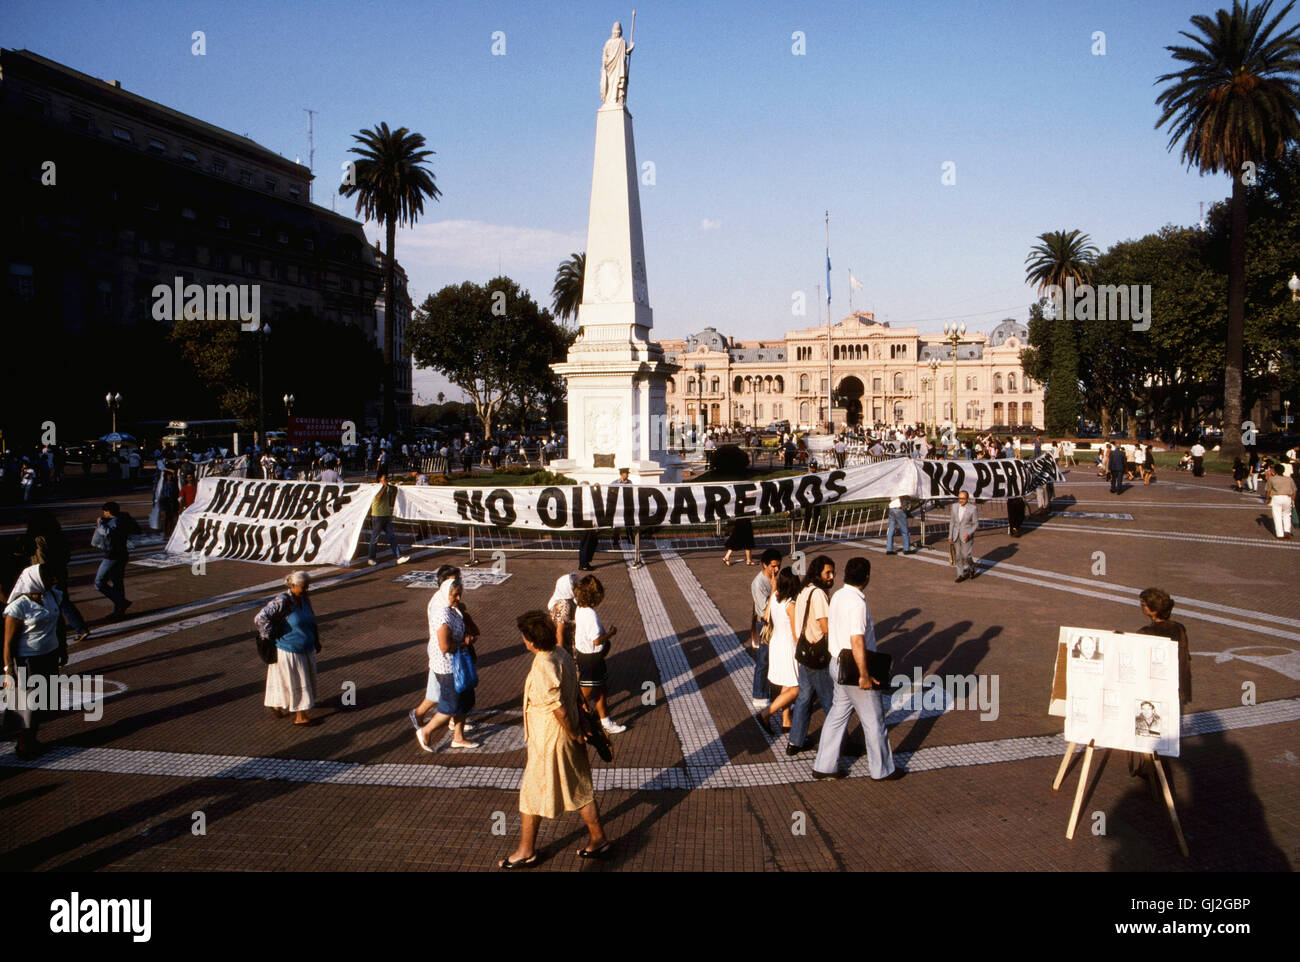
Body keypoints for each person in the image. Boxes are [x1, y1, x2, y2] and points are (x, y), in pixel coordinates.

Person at [498, 610, 611, 868]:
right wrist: (579, 728)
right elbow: (574, 694)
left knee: (530, 793)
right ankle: (598, 839)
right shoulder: (561, 653)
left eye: (524, 637)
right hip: (564, 735)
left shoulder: (543, 665)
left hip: (551, 740)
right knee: (580, 788)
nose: (523, 641)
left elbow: (558, 707)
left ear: (531, 639)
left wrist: (572, 732)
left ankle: (526, 851)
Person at [812, 557, 900, 781]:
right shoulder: (857, 603)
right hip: (854, 668)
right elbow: (857, 642)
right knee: (874, 720)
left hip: (837, 663)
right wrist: (864, 674)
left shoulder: (839, 596)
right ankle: (883, 770)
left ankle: (824, 765)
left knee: (838, 714)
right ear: (867, 577)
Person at [3, 564, 68, 759]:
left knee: (44, 701)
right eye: (46, 578)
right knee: (28, 702)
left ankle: (32, 738)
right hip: (28, 659)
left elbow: (59, 624)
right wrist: (8, 669)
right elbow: (7, 643)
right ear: (34, 580)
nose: (51, 581)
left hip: (49, 655)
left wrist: (62, 647)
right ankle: (23, 743)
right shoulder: (18, 606)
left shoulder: (52, 596)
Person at [415, 576, 480, 750]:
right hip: (447, 666)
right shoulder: (443, 613)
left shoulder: (455, 610)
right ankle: (426, 731)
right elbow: (445, 646)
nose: (458, 599)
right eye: (455, 595)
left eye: (460, 595)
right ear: (446, 594)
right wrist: (465, 643)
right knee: (451, 705)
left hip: (458, 663)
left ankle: (458, 737)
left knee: (465, 700)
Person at [254, 570, 320, 726]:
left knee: (291, 680)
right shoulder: (282, 601)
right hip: (289, 649)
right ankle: (300, 716)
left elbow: (312, 621)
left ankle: (277, 703)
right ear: (293, 585)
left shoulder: (305, 599)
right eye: (304, 587)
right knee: (298, 681)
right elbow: (260, 618)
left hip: (306, 646)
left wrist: (316, 640)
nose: (307, 590)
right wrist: (270, 634)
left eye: (308, 586)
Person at [788, 556, 836, 755]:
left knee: (804, 698)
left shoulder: (804, 590)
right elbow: (825, 626)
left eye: (832, 572)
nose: (832, 576)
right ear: (818, 573)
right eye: (827, 573)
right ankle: (841, 742)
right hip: (817, 655)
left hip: (804, 652)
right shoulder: (819, 595)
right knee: (830, 701)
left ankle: (795, 742)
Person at [573, 575, 625, 733]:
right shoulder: (590, 615)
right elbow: (596, 641)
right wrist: (610, 633)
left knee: (602, 690)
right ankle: (574, 720)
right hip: (591, 659)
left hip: (589, 657)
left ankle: (606, 722)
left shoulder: (580, 608)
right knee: (585, 695)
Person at [756, 567, 801, 734]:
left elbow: (766, 617)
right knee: (796, 687)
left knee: (786, 684)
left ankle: (786, 721)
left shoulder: (775, 597)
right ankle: (766, 714)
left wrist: (774, 587)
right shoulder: (791, 605)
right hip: (789, 647)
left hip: (776, 645)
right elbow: (796, 634)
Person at [93, 501, 138, 619]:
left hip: (113, 555)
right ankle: (119, 611)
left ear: (109, 511)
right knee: (117, 581)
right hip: (121, 553)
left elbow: (106, 532)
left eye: (105, 510)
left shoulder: (116, 521)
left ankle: (121, 602)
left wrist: (100, 523)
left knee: (99, 582)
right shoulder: (122, 519)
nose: (103, 513)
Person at [748, 548, 781, 709]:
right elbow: (764, 611)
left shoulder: (775, 578)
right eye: (772, 567)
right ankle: (759, 694)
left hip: (778, 622)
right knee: (764, 658)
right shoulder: (758, 583)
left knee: (776, 658)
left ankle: (775, 691)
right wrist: (774, 589)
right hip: (765, 623)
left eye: (778, 566)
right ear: (764, 565)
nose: (776, 570)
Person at [366, 470, 410, 565]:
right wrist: (384, 486)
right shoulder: (376, 487)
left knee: (392, 537)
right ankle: (371, 558)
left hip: (386, 515)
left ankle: (399, 556)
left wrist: (396, 486)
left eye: (387, 478)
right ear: (379, 479)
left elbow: (393, 493)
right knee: (375, 538)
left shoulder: (387, 488)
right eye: (385, 478)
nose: (387, 480)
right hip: (377, 515)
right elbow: (378, 497)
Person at [949, 491, 978, 582]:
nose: (960, 500)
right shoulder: (954, 507)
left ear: (967, 499)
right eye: (959, 498)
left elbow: (975, 524)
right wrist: (950, 535)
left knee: (966, 555)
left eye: (962, 498)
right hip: (956, 534)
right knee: (958, 556)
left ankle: (972, 567)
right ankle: (960, 575)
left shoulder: (973, 508)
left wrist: (969, 534)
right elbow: (952, 522)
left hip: (966, 535)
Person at [547, 571, 579, 652]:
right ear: (566, 588)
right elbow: (559, 632)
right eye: (574, 586)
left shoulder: (567, 599)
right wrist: (561, 654)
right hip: (568, 646)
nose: (577, 588)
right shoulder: (564, 606)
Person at [1264, 465, 1296, 539]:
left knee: (1277, 516)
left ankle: (1280, 534)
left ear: (1275, 471)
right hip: (1287, 497)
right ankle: (1287, 531)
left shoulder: (1272, 479)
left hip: (1276, 498)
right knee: (1287, 514)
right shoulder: (1289, 479)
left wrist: (1267, 499)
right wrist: (1293, 499)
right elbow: (1294, 490)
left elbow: (1268, 491)